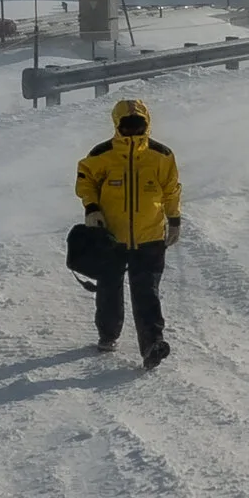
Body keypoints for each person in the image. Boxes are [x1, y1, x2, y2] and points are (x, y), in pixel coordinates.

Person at [75, 97, 181, 367]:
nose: (133, 129)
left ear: (147, 124)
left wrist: (175, 219)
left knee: (147, 291)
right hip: (110, 236)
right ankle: (108, 334)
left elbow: (171, 189)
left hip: (150, 235)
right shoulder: (101, 155)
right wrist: (92, 208)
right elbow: (85, 181)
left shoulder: (161, 155)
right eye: (127, 125)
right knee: (109, 288)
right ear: (117, 125)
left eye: (139, 124)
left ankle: (152, 344)